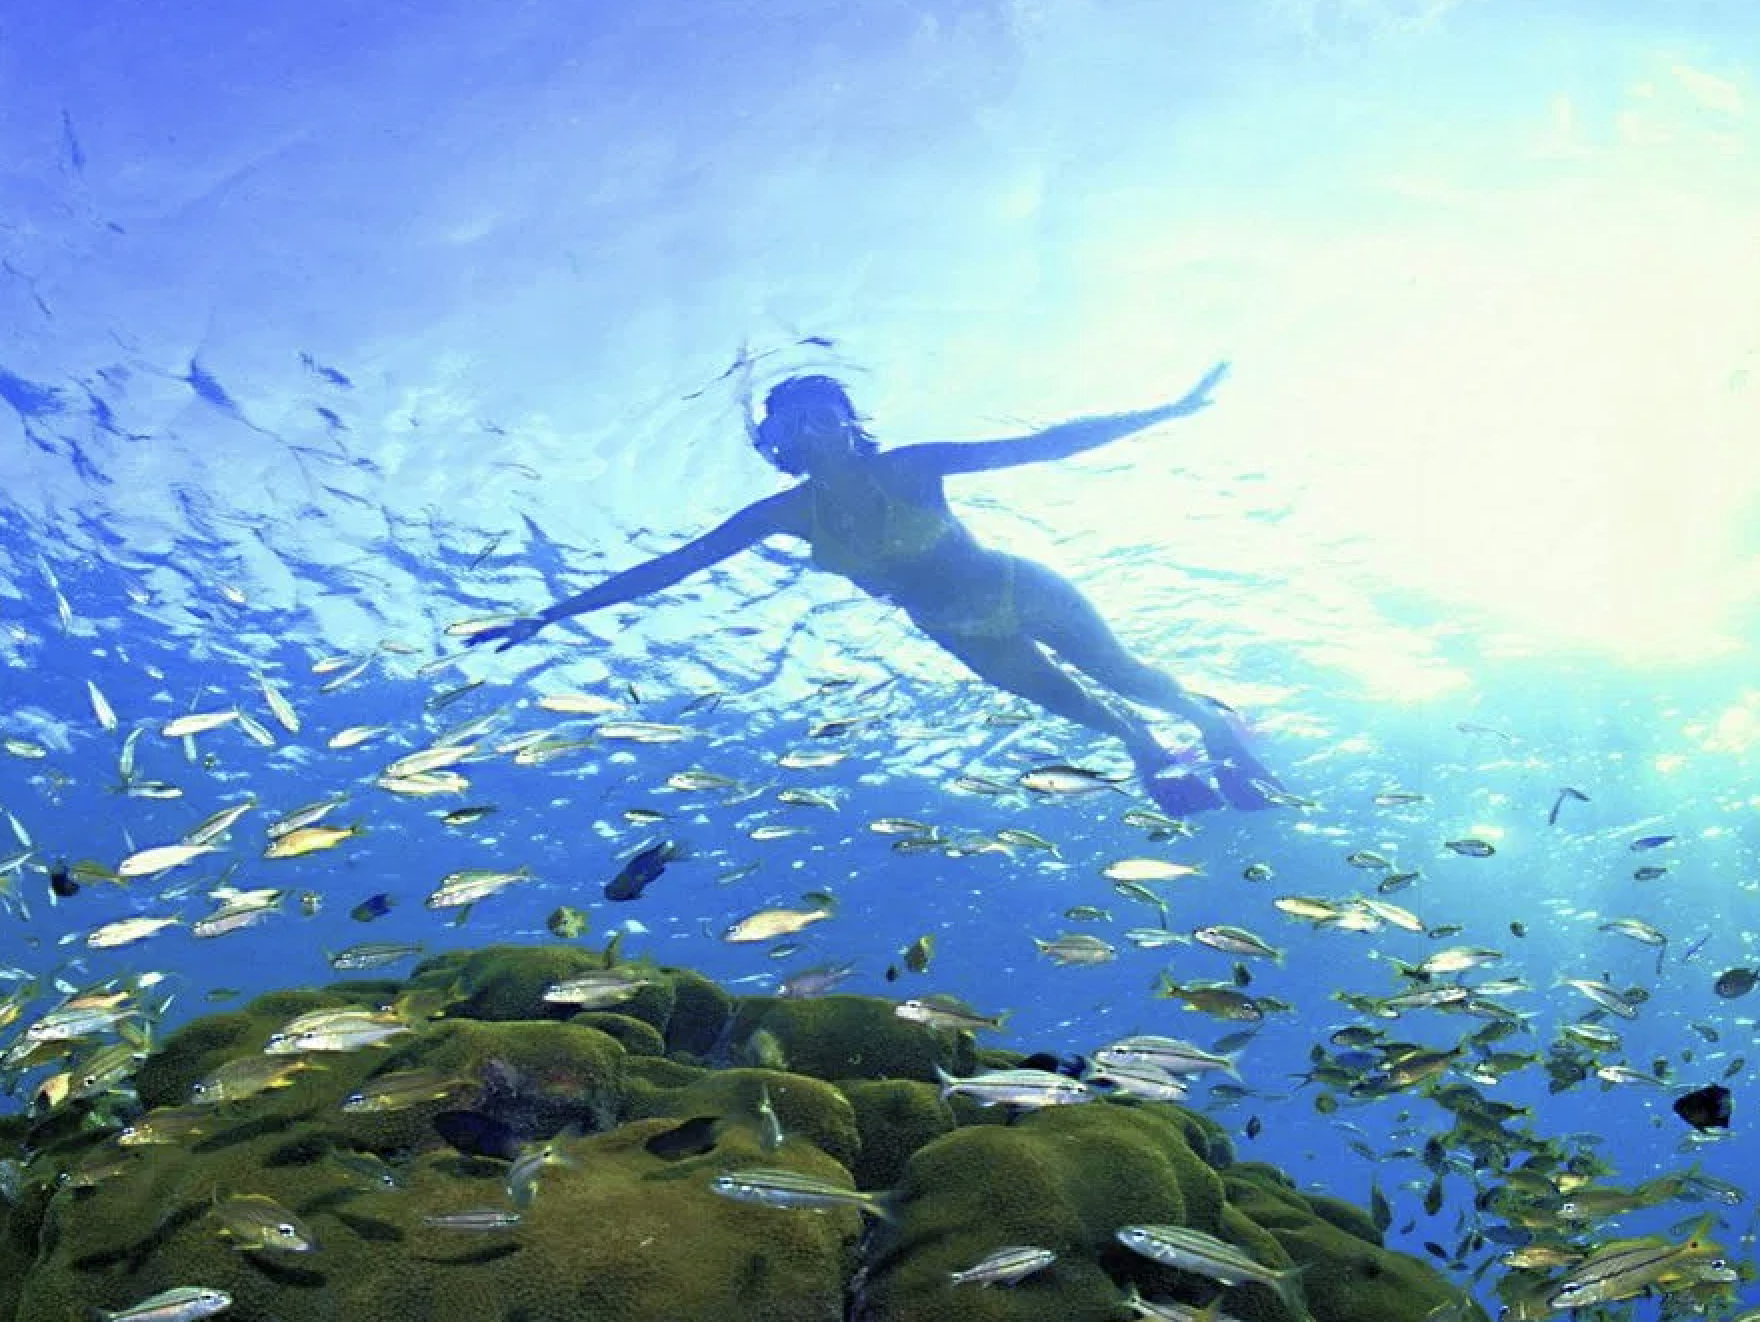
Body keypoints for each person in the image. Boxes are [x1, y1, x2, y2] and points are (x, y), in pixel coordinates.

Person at [470, 360, 1282, 814]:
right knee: (1095, 715)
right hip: (959, 631)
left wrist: (1166, 410)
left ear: (851, 421)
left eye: (826, 412)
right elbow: (673, 566)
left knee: (1129, 678)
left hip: (1020, 586)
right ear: (777, 441)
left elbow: (1042, 446)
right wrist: (552, 613)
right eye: (795, 421)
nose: (814, 428)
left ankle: (1212, 725)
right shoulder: (784, 513)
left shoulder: (911, 465)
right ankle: (1155, 757)